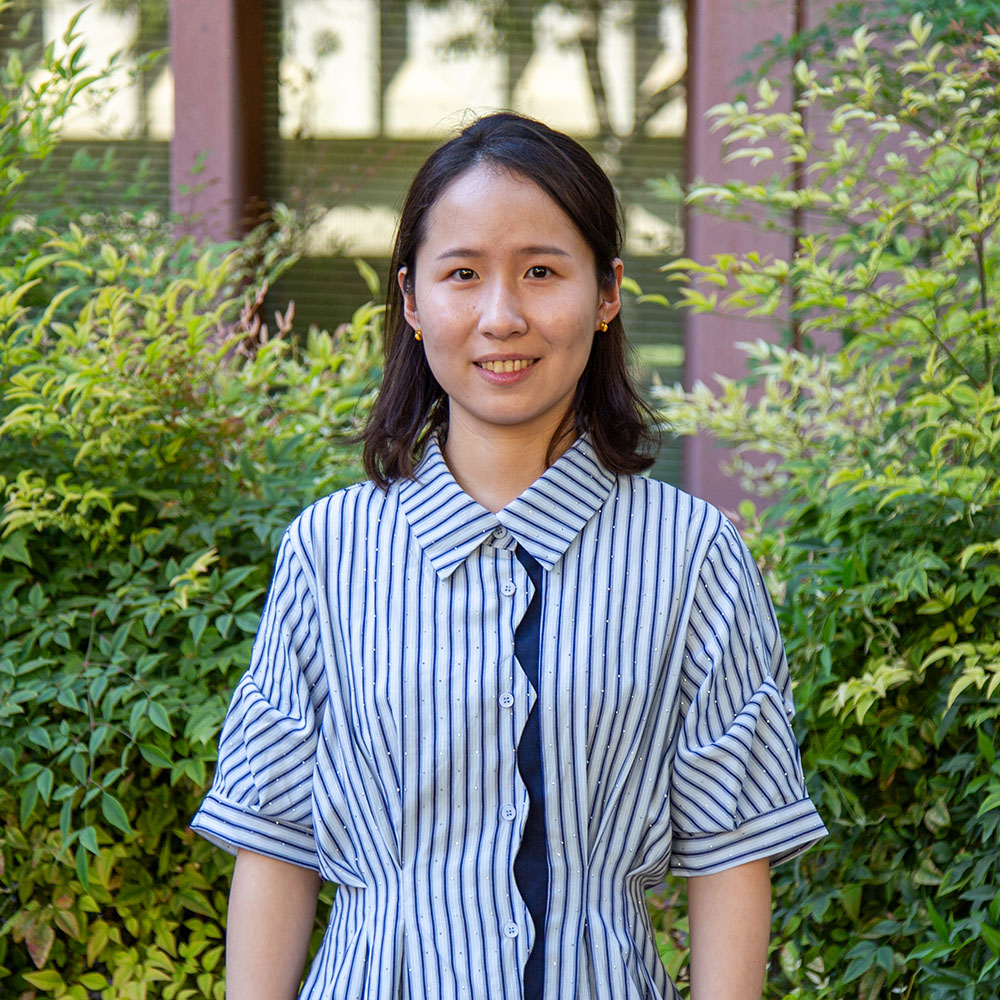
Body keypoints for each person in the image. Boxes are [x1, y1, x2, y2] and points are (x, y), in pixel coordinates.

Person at [191, 112, 827, 1000]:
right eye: (462, 274)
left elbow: (730, 855)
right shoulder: (330, 551)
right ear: (412, 301)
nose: (502, 316)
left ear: (606, 293)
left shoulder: (692, 558)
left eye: (540, 271)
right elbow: (274, 845)